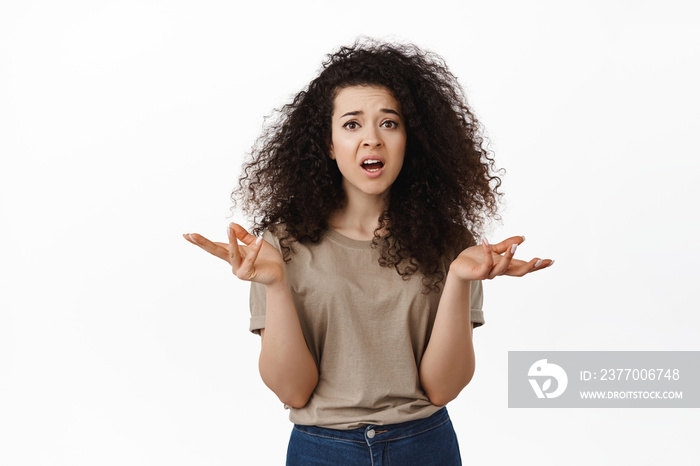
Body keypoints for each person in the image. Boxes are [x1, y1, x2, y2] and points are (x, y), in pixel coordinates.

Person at [183, 39, 552, 466]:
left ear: (410, 138)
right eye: (352, 124)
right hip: (321, 450)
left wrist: (458, 280)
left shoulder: (450, 244)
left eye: (389, 124)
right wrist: (277, 285)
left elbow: (442, 389)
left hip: (424, 445)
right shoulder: (279, 247)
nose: (371, 140)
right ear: (328, 142)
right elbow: (293, 391)